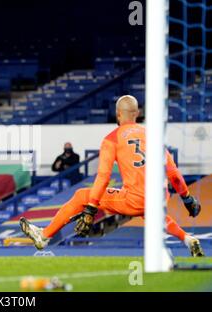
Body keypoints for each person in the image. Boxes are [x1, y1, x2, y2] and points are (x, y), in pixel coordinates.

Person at [20, 95, 204, 257]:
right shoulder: (153, 136)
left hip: (135, 199)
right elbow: (174, 174)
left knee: (81, 196)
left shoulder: (112, 138)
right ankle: (188, 239)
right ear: (137, 113)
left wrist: (91, 209)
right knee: (155, 215)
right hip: (159, 197)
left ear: (117, 115)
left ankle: (43, 236)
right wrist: (187, 200)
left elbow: (103, 177)